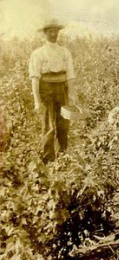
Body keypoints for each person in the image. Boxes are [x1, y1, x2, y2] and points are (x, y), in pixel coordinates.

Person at [29, 19, 76, 163]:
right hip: (46, 90)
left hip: (61, 88)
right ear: (45, 33)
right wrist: (37, 101)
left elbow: (70, 76)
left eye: (55, 31)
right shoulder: (38, 53)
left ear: (58, 32)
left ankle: (63, 154)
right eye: (50, 31)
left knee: (63, 122)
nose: (53, 34)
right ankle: (48, 158)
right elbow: (35, 78)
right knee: (49, 124)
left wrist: (72, 95)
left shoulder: (64, 52)